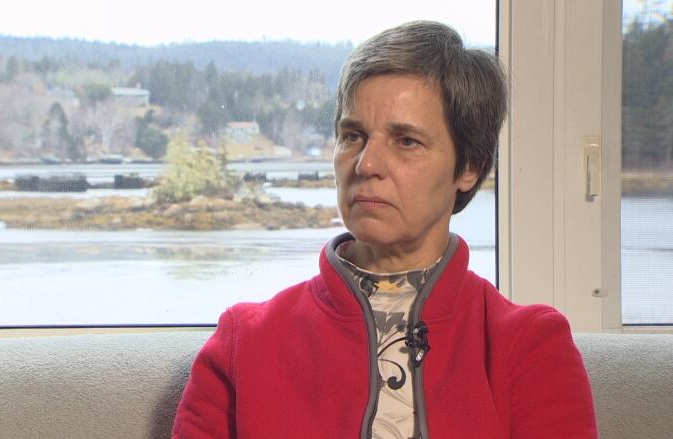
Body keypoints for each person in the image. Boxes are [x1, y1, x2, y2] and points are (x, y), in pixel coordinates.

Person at [172, 21, 597, 439]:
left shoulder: (531, 347)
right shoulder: (243, 343)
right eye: (352, 135)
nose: (366, 164)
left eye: (405, 141)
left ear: (469, 166)